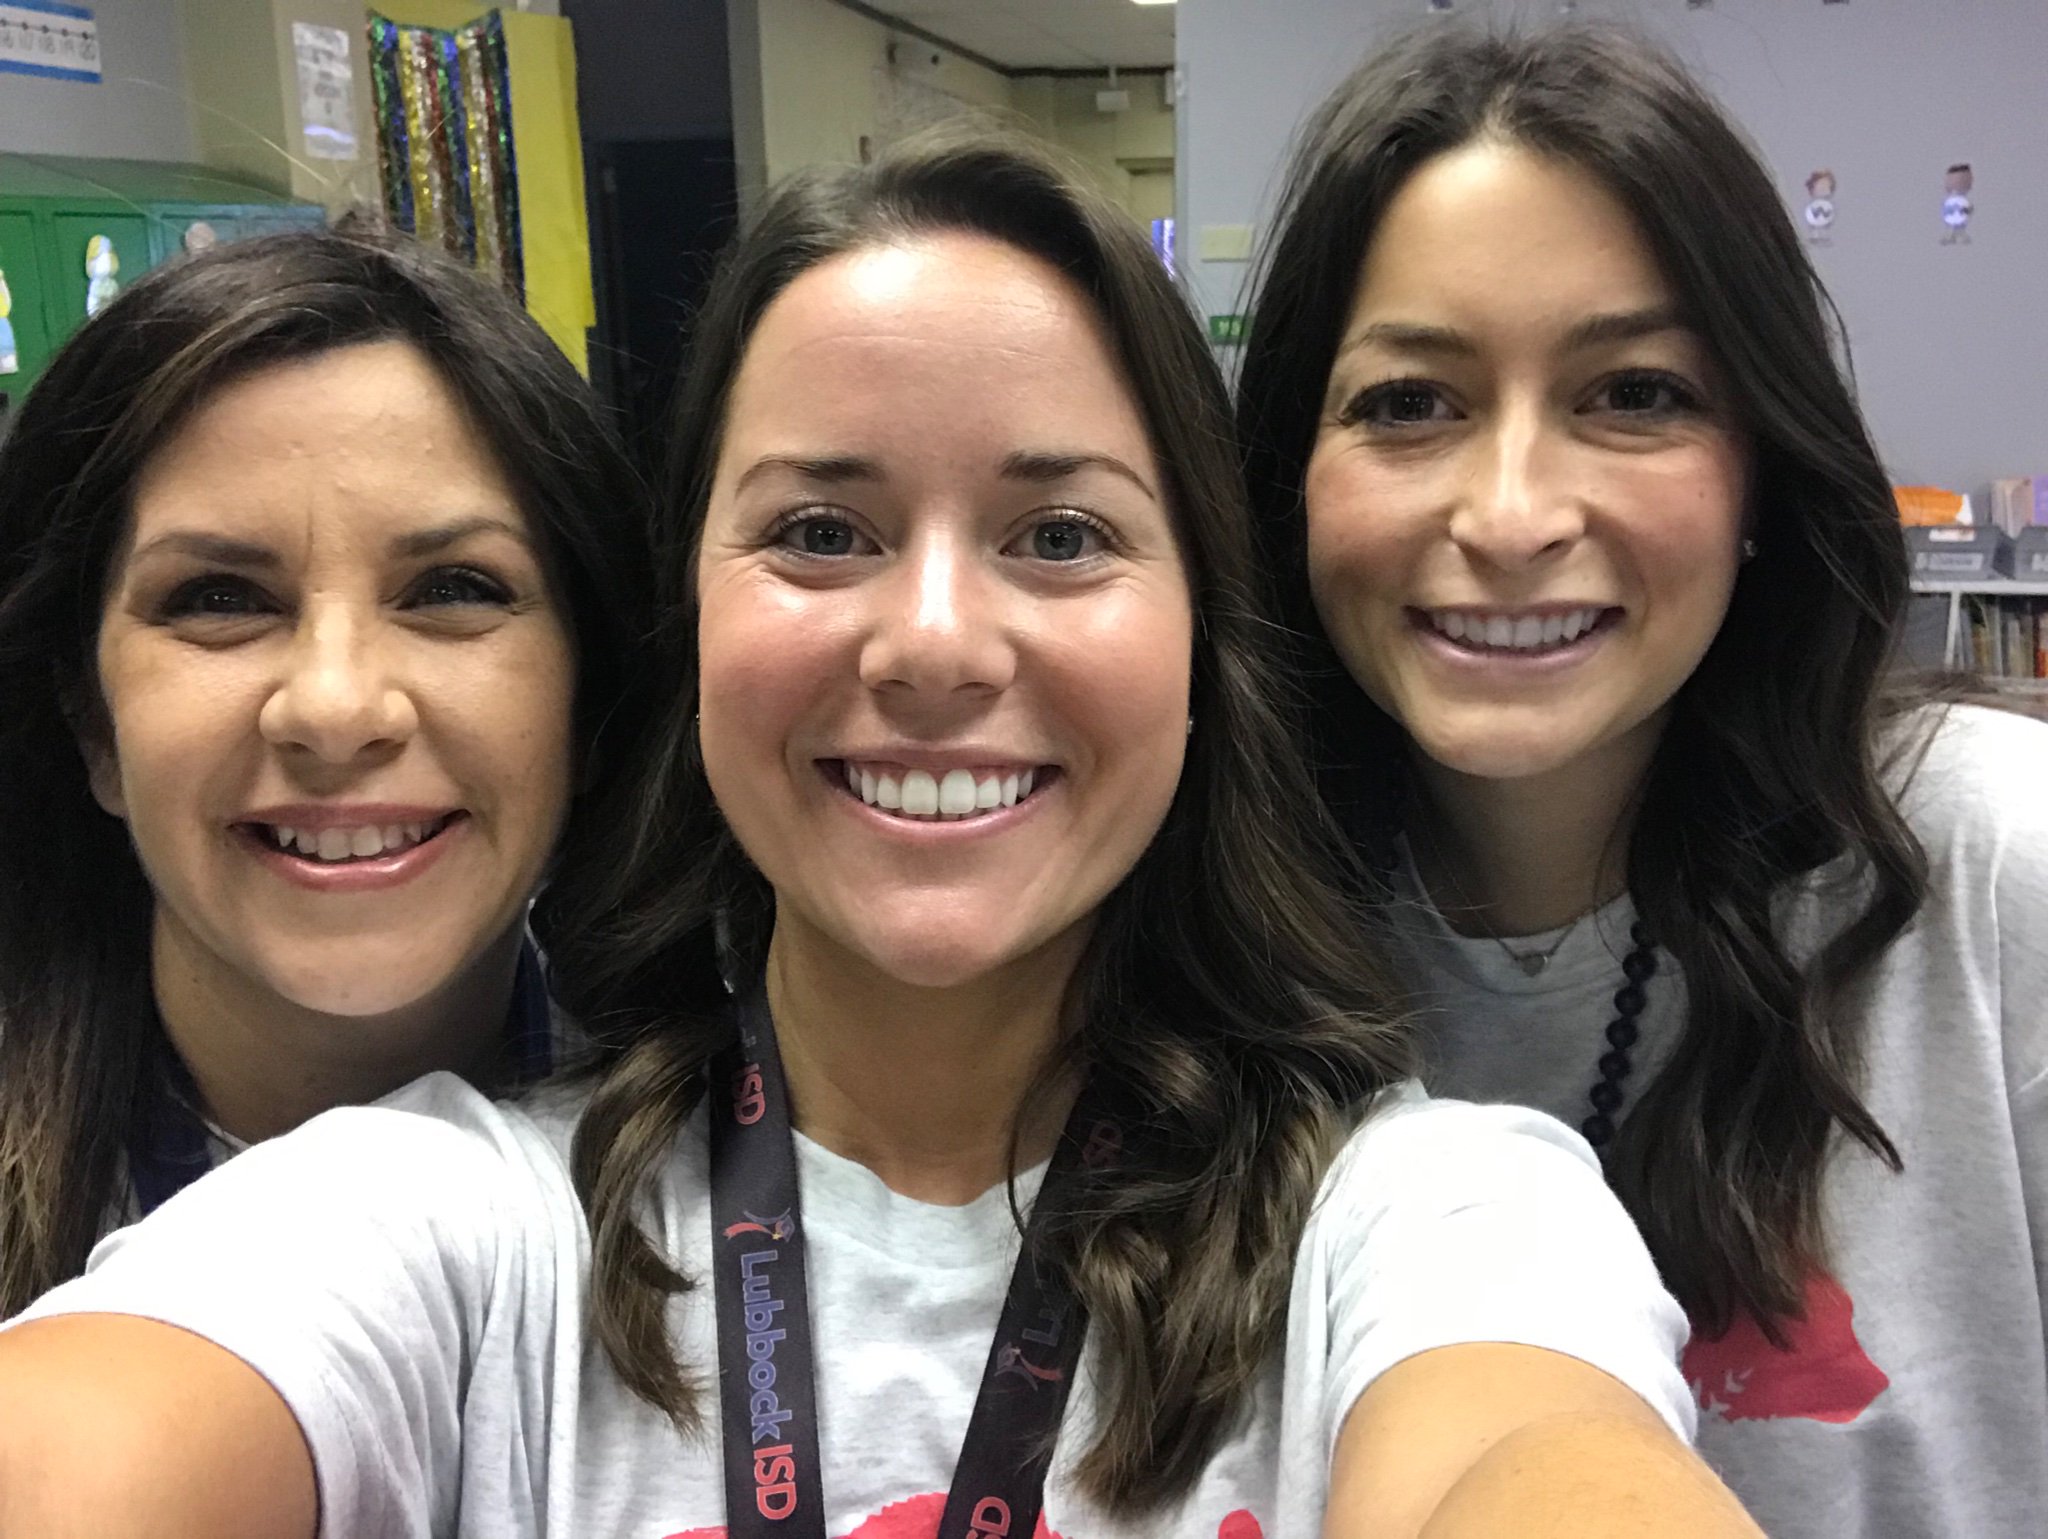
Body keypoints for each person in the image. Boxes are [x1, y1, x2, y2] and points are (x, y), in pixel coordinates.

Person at [0, 133, 1759, 1539]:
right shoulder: (455, 1224)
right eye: (821, 529)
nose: (931, 643)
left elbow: (1527, 1444)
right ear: (685, 625)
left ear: (1202, 642)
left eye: (1060, 535)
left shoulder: (1434, 1213)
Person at [1235, 25, 2048, 1539]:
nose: (1512, 515)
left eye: (1632, 393)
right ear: (1287, 477)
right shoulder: (1212, 927)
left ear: (1759, 473)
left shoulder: (1995, 865)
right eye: (1408, 402)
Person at [0, 222, 657, 1315]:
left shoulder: (748, 1164)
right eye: (219, 599)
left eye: (453, 589)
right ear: (90, 724)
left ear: (587, 704)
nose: (336, 708)